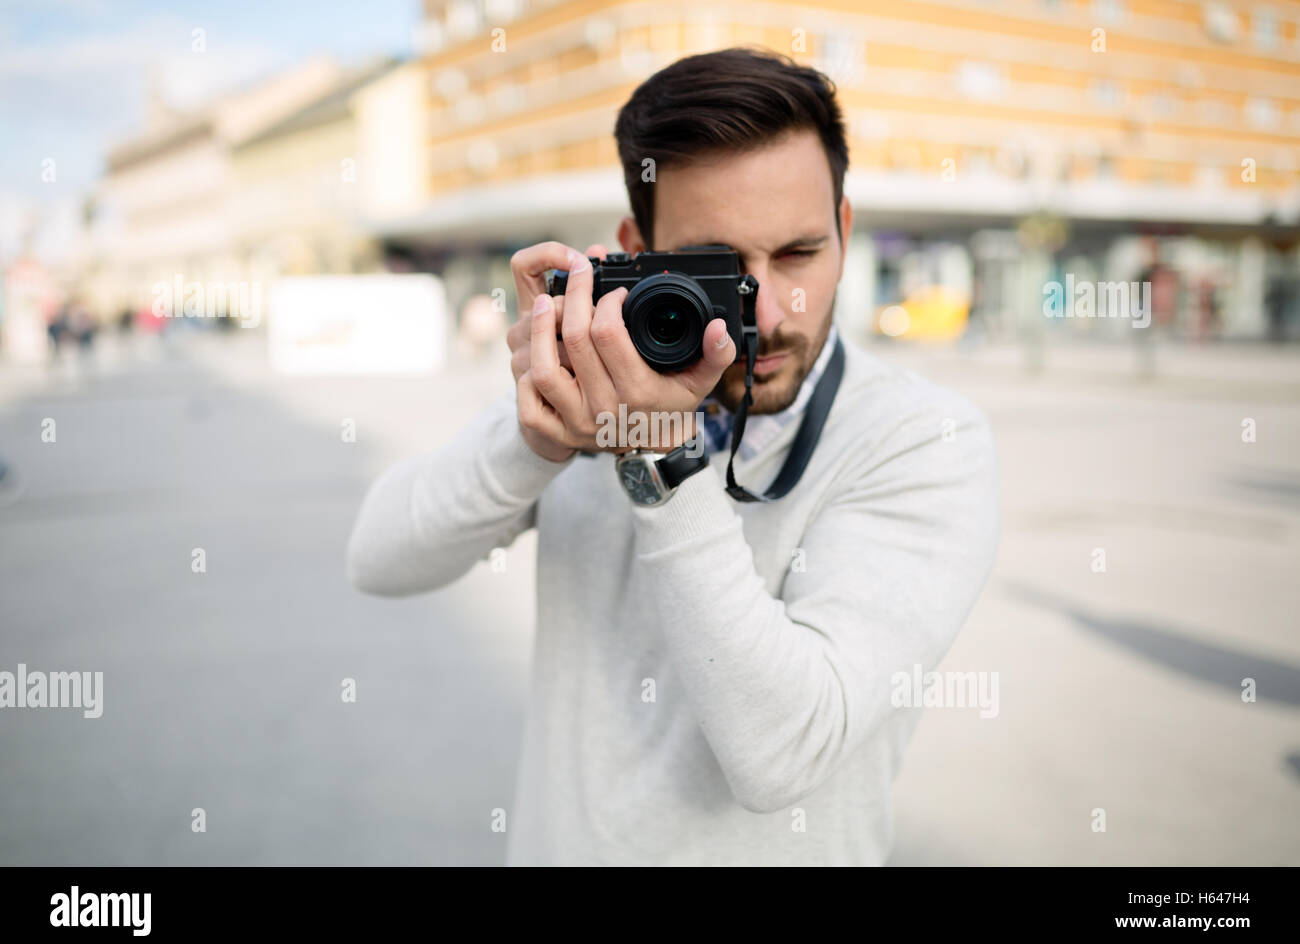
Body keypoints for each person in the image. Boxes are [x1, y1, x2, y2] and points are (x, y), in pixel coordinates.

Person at [347, 47, 999, 865]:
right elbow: (377, 559)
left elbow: (781, 755)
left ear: (844, 228)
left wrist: (663, 461)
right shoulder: (595, 388)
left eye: (799, 254)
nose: (767, 309)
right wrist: (534, 442)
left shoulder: (922, 440)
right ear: (636, 250)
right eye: (717, 270)